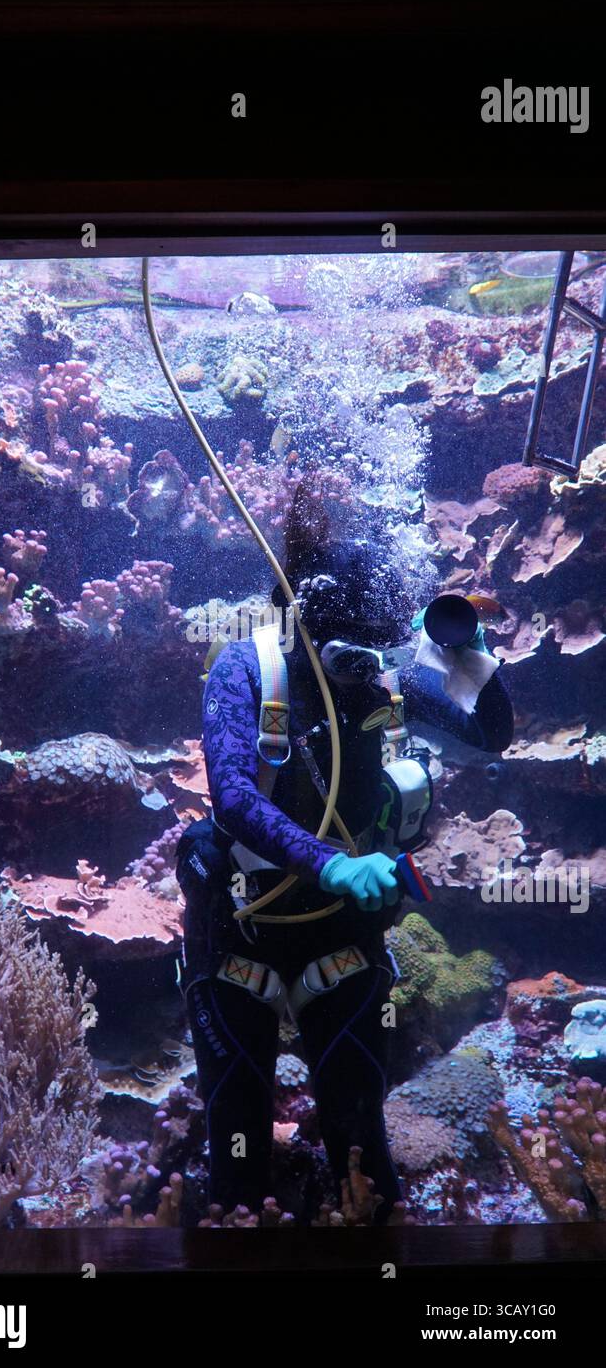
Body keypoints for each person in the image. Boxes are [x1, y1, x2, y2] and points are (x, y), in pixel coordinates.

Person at [177, 502, 514, 1223]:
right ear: (301, 619)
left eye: (374, 648)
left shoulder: (385, 681)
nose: (360, 669)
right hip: (242, 933)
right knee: (235, 1148)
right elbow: (232, 796)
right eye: (346, 651)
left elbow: (490, 736)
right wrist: (330, 864)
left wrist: (469, 659)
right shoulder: (246, 669)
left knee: (362, 1146)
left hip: (342, 941)